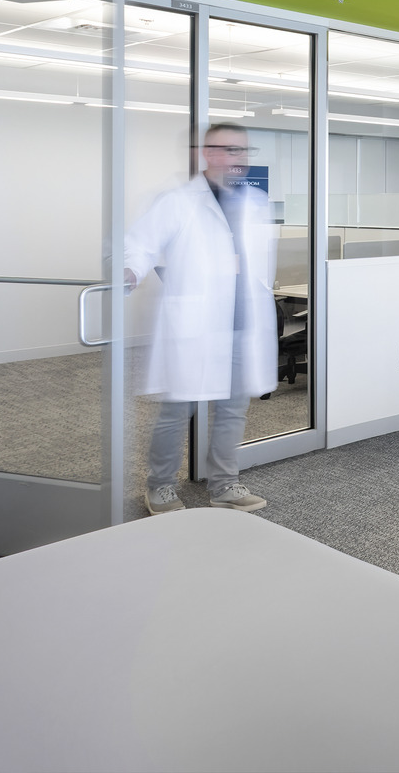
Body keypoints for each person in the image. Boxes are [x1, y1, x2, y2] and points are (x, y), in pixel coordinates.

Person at [126, 123, 278, 515]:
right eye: (230, 151)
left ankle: (224, 484)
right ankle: (159, 486)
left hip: (242, 323)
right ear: (207, 153)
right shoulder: (179, 201)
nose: (239, 159)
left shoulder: (253, 202)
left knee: (232, 410)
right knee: (177, 410)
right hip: (197, 326)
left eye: (244, 151)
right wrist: (130, 270)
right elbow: (139, 244)